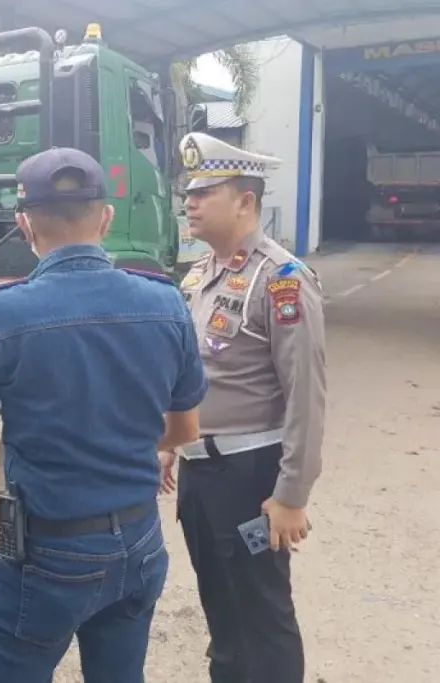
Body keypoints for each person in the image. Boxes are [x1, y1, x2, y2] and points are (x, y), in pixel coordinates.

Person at [0, 147, 209, 682]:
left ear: (23, 224)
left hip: (48, 551)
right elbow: (184, 430)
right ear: (106, 217)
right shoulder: (166, 303)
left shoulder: (0, 313)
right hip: (139, 541)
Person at [161, 132, 327, 683]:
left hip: (250, 476)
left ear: (245, 201)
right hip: (200, 474)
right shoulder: (202, 275)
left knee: (263, 614)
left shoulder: (280, 279)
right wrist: (170, 442)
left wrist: (291, 495)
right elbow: (193, 374)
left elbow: (306, 394)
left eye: (205, 191)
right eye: (189, 192)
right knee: (222, 613)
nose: (190, 202)